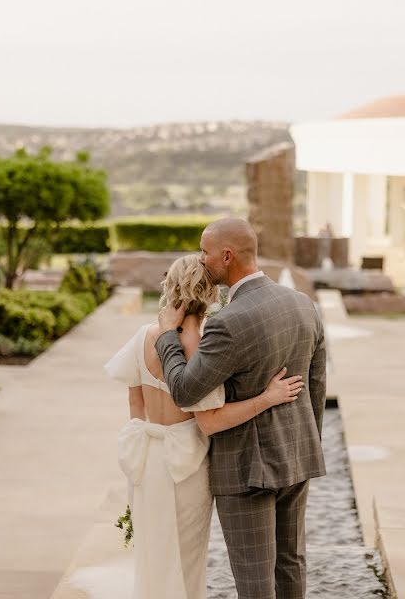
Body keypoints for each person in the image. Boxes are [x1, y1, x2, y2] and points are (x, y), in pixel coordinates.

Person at [104, 254, 304, 599]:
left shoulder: (143, 336)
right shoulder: (204, 344)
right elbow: (210, 421)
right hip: (187, 466)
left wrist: (139, 454)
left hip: (145, 460)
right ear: (210, 291)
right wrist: (267, 398)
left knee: (152, 557)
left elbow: (135, 404)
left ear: (171, 287)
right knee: (187, 561)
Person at [156, 218, 327, 599]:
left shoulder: (228, 324)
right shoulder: (303, 304)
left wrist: (169, 335)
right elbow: (317, 386)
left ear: (227, 256)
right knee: (291, 564)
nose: (201, 260)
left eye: (205, 252)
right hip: (298, 456)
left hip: (245, 470)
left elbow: (184, 390)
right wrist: (308, 445)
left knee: (254, 582)